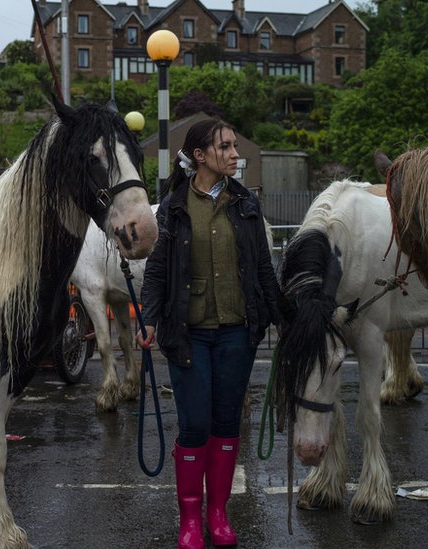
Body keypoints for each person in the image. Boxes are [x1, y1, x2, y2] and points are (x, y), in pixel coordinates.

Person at [136, 118, 281, 549]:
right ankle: (188, 520)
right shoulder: (173, 209)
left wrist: (284, 316)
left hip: (238, 333)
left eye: (236, 146)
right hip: (188, 335)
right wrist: (147, 317)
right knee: (195, 424)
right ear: (200, 156)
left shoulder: (246, 205)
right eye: (227, 147)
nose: (236, 154)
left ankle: (217, 515)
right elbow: (157, 271)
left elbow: (262, 270)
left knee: (225, 422)